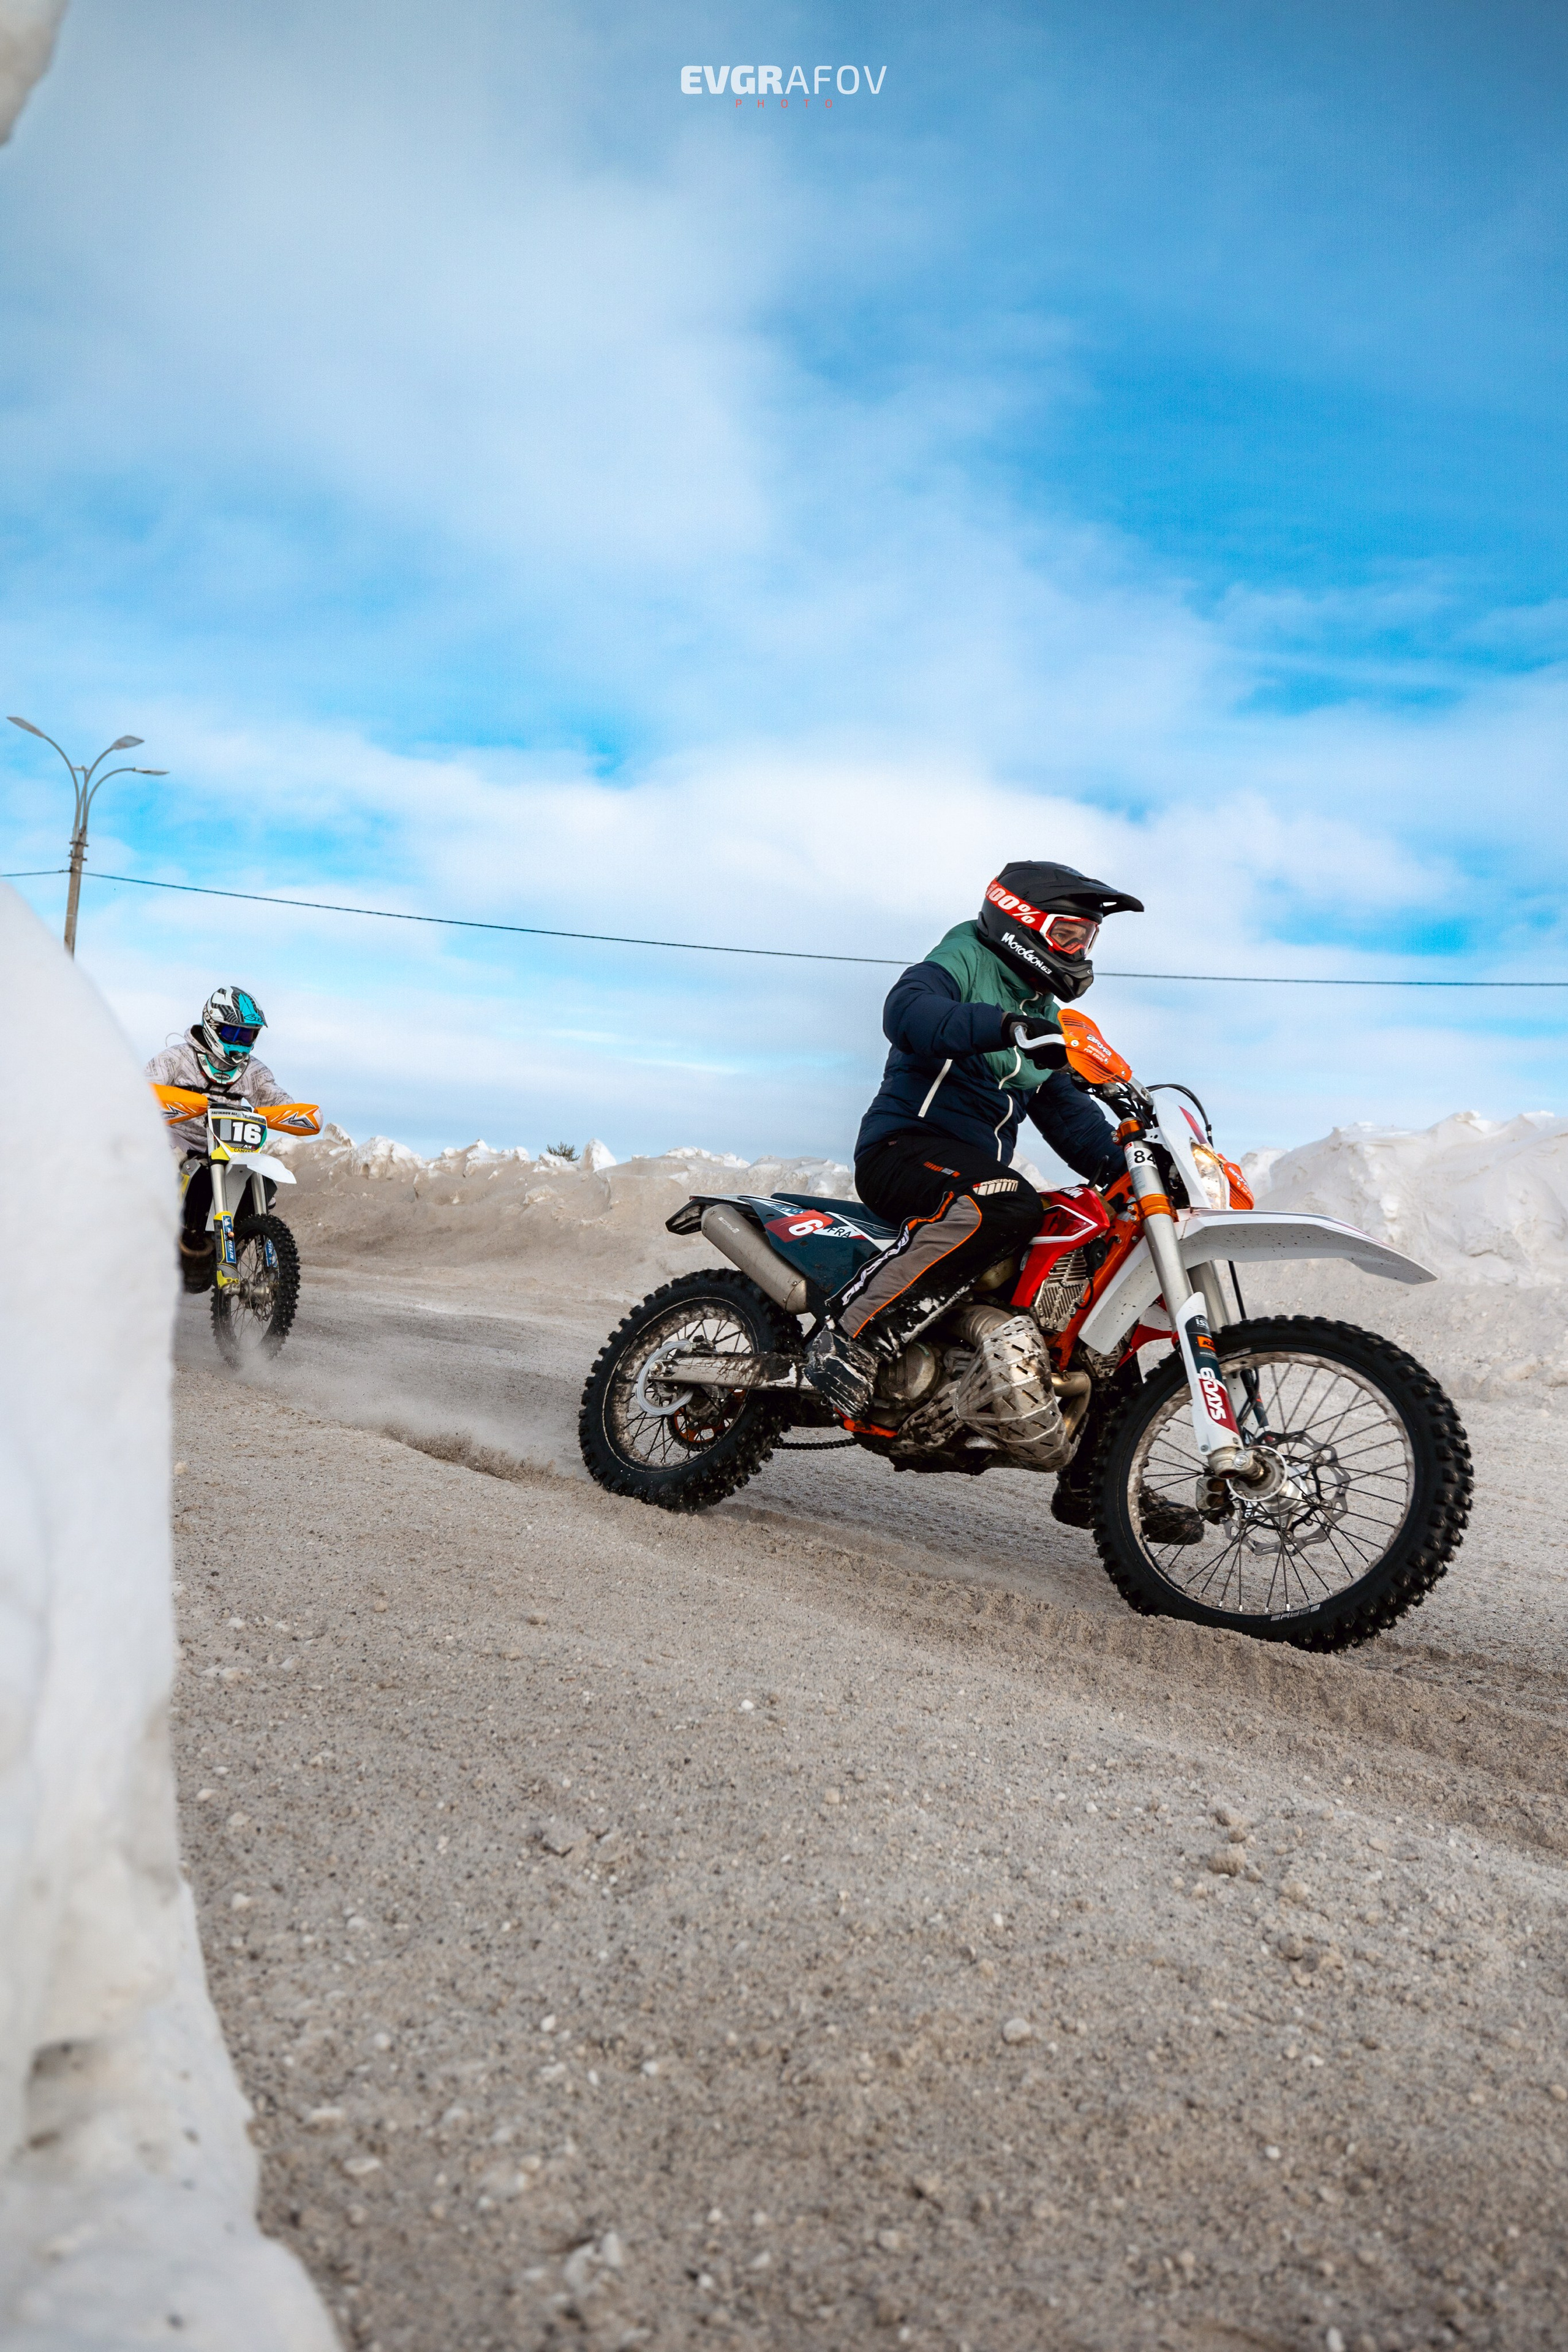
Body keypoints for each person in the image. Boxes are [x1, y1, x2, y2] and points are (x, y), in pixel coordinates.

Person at [805, 862, 1199, 1540]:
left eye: (1088, 940)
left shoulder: (1044, 1014)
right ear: (1020, 922)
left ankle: (1099, 1481)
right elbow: (909, 1014)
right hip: (906, 1149)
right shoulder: (960, 958)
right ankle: (848, 1336)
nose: (1079, 953)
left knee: (1107, 1262)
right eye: (1068, 935)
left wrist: (1138, 1170)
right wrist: (1001, 1026)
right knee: (1005, 1202)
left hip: (972, 1174)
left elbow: (1066, 1114)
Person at [145, 987, 293, 1290]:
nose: (241, 1043)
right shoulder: (177, 1058)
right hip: (180, 1138)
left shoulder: (254, 1071)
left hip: (229, 1146)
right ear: (212, 1026)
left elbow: (275, 1097)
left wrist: (295, 1113)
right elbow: (141, 1088)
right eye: (233, 1033)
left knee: (262, 1182)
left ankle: (237, 1242)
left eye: (248, 1036)